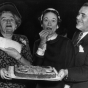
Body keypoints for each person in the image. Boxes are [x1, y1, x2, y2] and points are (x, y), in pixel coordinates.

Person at [33, 8, 75, 88]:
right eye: (46, 20)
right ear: (42, 24)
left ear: (57, 25)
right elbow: (35, 68)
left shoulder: (67, 43)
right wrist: (42, 43)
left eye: (53, 21)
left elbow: (70, 69)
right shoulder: (37, 43)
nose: (49, 24)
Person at [0, 2, 32, 88]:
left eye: (11, 19)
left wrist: (18, 56)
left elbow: (30, 67)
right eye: (3, 19)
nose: (8, 21)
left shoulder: (23, 40)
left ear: (16, 24)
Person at [57, 2, 88, 88]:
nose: (77, 17)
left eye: (83, 15)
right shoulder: (77, 34)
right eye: (78, 14)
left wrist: (67, 72)